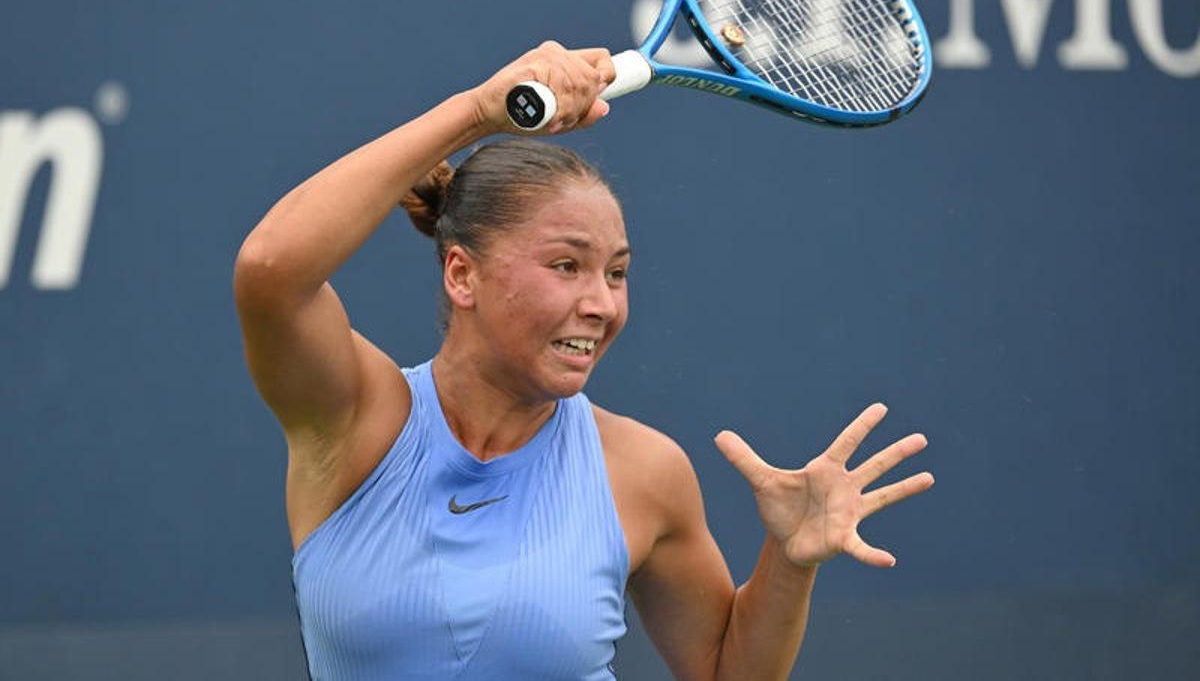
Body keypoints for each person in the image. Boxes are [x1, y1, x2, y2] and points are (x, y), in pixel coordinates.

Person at [234, 41, 934, 680]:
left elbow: (726, 673)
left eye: (617, 273)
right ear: (461, 275)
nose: (601, 303)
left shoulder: (644, 472)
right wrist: (478, 112)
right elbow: (272, 268)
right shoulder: (357, 418)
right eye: (566, 265)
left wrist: (787, 563)